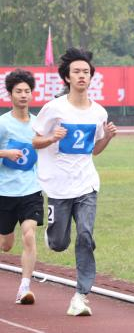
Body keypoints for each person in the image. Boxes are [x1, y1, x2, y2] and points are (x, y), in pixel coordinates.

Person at [32, 48, 117, 316]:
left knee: (85, 235)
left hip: (86, 184)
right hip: (58, 186)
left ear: (91, 77)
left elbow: (94, 150)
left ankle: (81, 295)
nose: (82, 76)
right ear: (67, 77)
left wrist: (107, 137)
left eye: (86, 72)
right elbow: (35, 141)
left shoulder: (99, 112)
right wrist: (52, 138)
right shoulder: (54, 108)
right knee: (59, 243)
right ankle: (52, 234)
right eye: (77, 72)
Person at [0, 69, 43, 305]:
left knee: (29, 234)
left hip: (31, 190)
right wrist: (5, 153)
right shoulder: (3, 124)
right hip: (5, 191)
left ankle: (24, 287)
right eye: (19, 91)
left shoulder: (38, 124)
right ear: (10, 95)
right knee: (6, 245)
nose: (24, 95)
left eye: (27, 91)